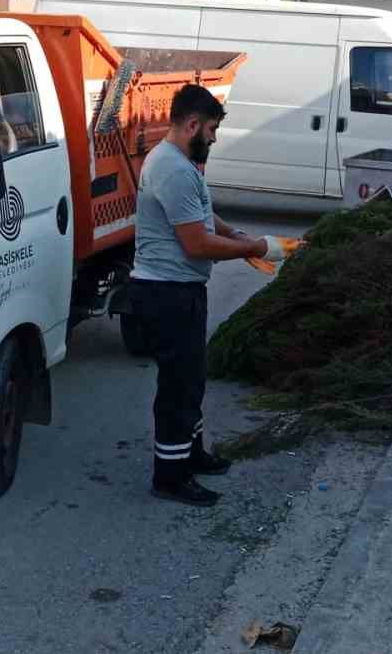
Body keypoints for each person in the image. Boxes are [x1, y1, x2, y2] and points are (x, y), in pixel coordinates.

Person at [123, 84, 294, 506]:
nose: (214, 139)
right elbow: (196, 244)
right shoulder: (173, 168)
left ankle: (192, 454)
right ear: (193, 124)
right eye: (213, 130)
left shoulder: (180, 164)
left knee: (191, 380)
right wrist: (256, 248)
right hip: (167, 295)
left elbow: (200, 212)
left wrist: (234, 232)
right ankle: (170, 476)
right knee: (178, 388)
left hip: (181, 292)